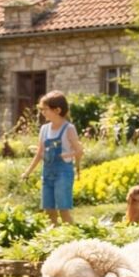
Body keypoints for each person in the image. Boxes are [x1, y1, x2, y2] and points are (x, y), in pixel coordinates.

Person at [23, 90, 83, 224]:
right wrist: (27, 172)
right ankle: (54, 235)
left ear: (57, 110)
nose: (42, 112)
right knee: (49, 209)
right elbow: (40, 153)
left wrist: (68, 155)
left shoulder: (69, 128)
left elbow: (79, 151)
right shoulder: (44, 129)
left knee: (63, 209)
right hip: (47, 172)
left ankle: (70, 235)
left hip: (63, 172)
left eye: (45, 109)